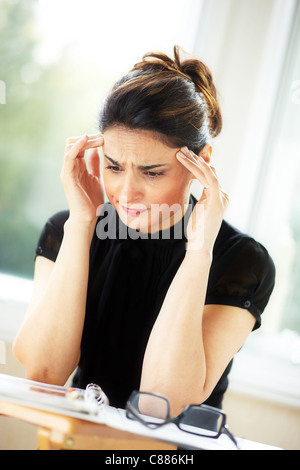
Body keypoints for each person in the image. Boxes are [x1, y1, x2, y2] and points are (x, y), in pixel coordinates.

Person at [13, 46, 275, 417]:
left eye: (152, 173)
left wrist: (199, 251)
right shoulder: (67, 230)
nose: (126, 192)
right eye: (114, 166)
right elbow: (43, 373)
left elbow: (161, 403)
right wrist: (82, 226)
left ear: (202, 163)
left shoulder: (242, 260)